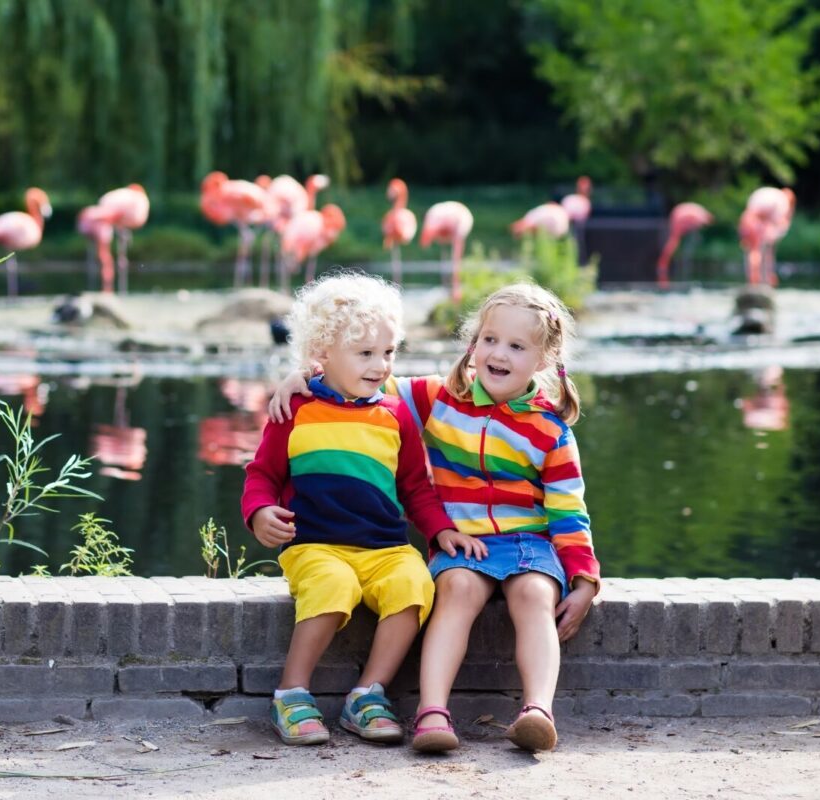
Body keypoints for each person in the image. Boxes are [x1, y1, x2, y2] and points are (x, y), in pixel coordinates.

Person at [270, 282, 599, 753]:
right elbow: (360, 378)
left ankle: (537, 711)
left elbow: (569, 513)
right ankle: (433, 711)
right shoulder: (438, 397)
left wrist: (584, 577)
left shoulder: (551, 430)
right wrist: (303, 376)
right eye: (489, 339)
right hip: (461, 542)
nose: (498, 353)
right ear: (473, 343)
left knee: (533, 595)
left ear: (543, 361)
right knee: (457, 590)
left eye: (515, 346)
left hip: (529, 543)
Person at [242, 272, 460, 747]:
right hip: (314, 545)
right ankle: (292, 692)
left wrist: (440, 530)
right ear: (322, 354)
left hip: (383, 545)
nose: (381, 365)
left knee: (413, 582)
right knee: (334, 584)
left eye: (388, 353)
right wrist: (259, 512)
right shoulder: (296, 407)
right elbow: (262, 473)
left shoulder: (394, 412)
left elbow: (414, 487)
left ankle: (367, 694)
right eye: (365, 354)